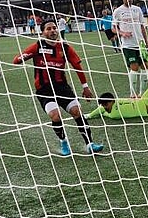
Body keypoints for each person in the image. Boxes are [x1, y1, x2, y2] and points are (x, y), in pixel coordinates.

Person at [12, 20, 104, 156]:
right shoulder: (37, 46)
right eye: (48, 28)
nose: (52, 30)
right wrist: (24, 57)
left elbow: (77, 67)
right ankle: (64, 142)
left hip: (62, 87)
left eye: (54, 28)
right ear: (43, 32)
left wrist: (85, 87)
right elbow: (16, 60)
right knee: (55, 115)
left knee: (77, 111)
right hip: (44, 90)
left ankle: (90, 144)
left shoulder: (65, 48)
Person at [86, 43, 148, 120]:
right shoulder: (117, 101)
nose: (104, 107)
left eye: (105, 105)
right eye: (103, 105)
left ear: (112, 101)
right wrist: (90, 115)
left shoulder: (114, 114)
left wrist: (90, 115)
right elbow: (101, 108)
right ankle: (147, 57)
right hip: (145, 97)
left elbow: (103, 111)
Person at [112, 0, 148, 97]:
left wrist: (147, 42)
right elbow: (114, 28)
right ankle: (132, 94)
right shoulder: (118, 11)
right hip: (128, 45)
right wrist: (122, 33)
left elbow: (142, 27)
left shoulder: (137, 10)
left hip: (140, 44)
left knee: (145, 67)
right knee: (134, 67)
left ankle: (142, 94)